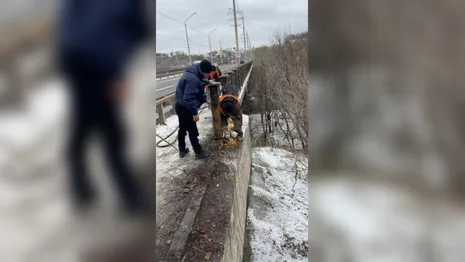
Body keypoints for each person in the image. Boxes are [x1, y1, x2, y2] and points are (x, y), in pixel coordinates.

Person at [57, 0, 153, 214]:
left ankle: (80, 185)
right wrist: (115, 76)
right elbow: (104, 31)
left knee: (85, 123)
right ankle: (129, 196)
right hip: (94, 64)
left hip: (83, 59)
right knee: (111, 131)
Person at [174, 60, 212, 159]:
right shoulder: (193, 80)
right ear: (204, 71)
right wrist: (195, 113)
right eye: (207, 74)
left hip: (180, 104)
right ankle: (198, 152)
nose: (207, 76)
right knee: (192, 129)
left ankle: (182, 149)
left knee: (182, 128)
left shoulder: (194, 70)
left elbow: (200, 79)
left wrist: (206, 82)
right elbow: (188, 99)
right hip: (185, 107)